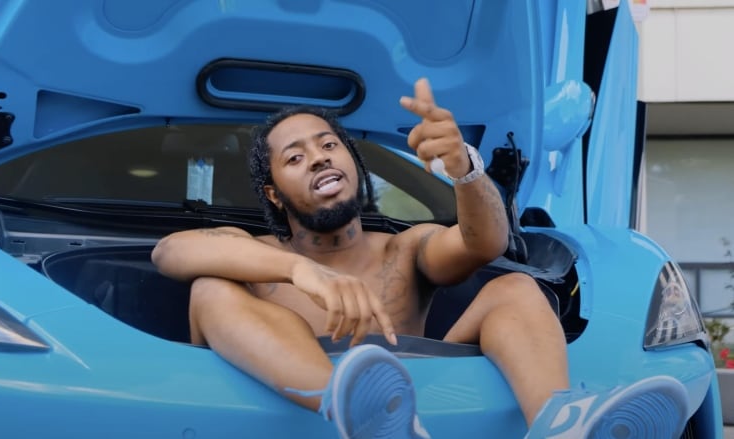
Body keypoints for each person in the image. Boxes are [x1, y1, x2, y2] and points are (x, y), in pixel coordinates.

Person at [152, 78, 688, 438]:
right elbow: (170, 251)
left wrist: (465, 168)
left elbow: (485, 243)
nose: (318, 157)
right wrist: (299, 269)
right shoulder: (257, 257)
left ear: (353, 164)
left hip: (422, 411)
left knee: (516, 289)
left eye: (329, 145)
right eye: (295, 157)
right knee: (211, 286)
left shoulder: (405, 248)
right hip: (294, 417)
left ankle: (561, 424)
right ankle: (354, 408)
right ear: (274, 195)